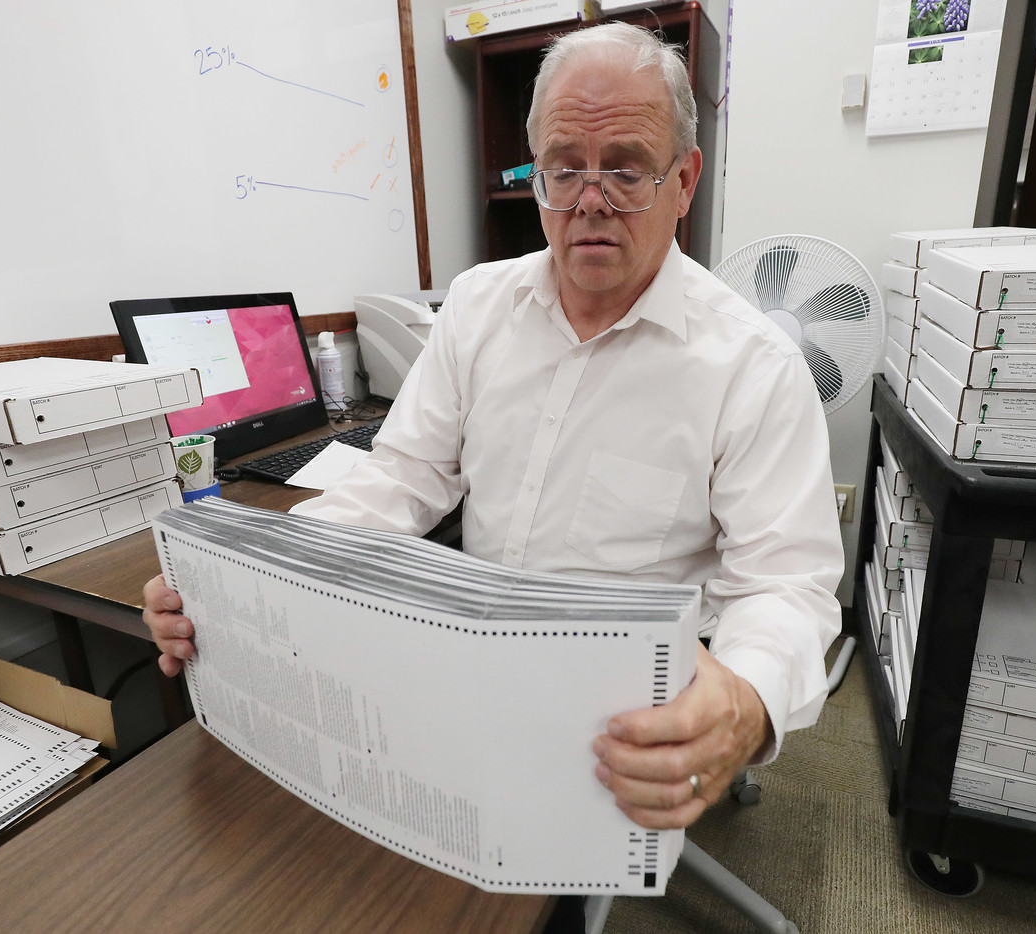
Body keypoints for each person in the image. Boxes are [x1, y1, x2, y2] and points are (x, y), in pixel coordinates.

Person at [144, 21, 843, 834]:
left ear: (683, 181)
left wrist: (745, 703)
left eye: (626, 170)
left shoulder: (752, 365)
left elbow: (785, 586)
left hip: (624, 703)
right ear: (534, 172)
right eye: (563, 169)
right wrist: (242, 580)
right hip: (469, 669)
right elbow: (401, 479)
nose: (589, 201)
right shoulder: (478, 306)